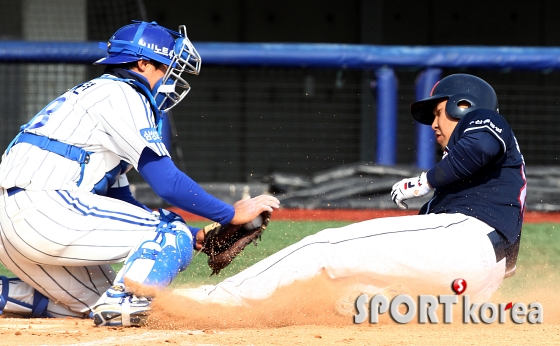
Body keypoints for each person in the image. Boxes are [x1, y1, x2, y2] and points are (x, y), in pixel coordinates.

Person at [0, 21, 279, 327]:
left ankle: (8, 294)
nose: (172, 77)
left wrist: (195, 237)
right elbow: (167, 183)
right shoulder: (122, 93)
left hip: (15, 225)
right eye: (168, 67)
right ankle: (128, 302)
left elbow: (122, 201)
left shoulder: (98, 96)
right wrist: (229, 214)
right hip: (45, 210)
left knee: (93, 302)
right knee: (168, 230)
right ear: (143, 63)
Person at [177, 74, 526, 315]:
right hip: (478, 278)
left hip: (466, 241)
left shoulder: (482, 120)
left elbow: (478, 148)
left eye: (438, 113)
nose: (434, 124)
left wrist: (424, 181)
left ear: (463, 105)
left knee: (323, 249)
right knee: (353, 293)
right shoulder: (488, 179)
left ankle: (207, 300)